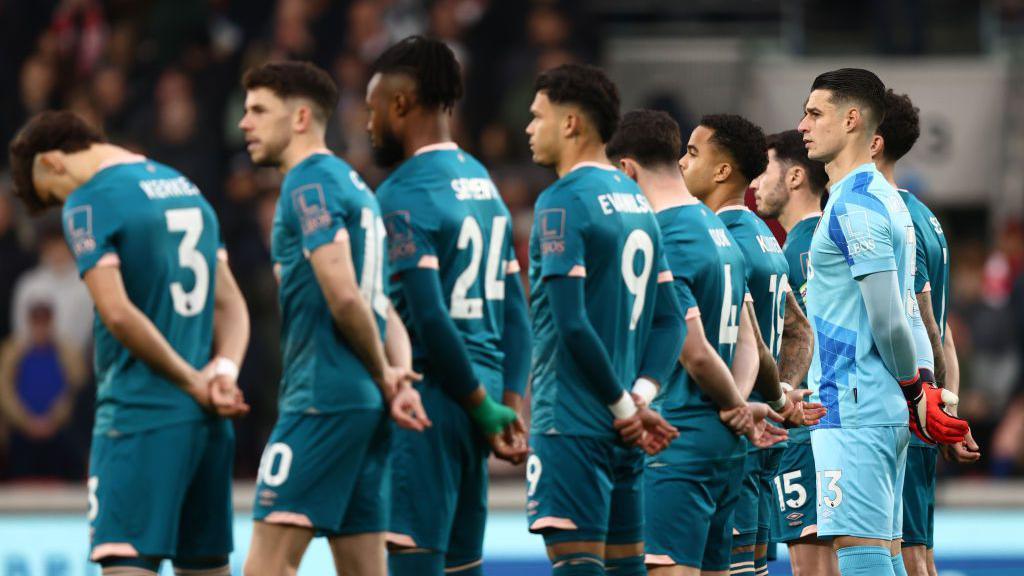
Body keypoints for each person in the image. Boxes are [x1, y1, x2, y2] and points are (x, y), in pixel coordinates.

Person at [8, 110, 251, 576]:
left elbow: (117, 313)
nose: (64, 206)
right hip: (207, 424)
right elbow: (232, 305)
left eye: (52, 196)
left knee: (126, 566)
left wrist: (188, 380)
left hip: (139, 418)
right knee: (205, 567)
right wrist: (222, 372)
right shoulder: (185, 187)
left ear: (54, 162)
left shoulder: (90, 201)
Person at [239, 61, 428, 576]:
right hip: (364, 408)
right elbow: (379, 303)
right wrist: (398, 377)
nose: (244, 123)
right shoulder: (353, 185)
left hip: (322, 401)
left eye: (258, 110)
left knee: (266, 567)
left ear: (301, 117)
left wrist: (385, 372)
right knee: (363, 568)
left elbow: (346, 296)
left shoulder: (308, 185)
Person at [364, 36, 530, 576]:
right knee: (463, 566)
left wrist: (484, 404)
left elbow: (430, 318)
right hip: (479, 403)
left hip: (432, 402)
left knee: (416, 560)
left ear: (401, 105)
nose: (368, 125)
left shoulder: (401, 193)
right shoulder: (482, 183)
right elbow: (515, 311)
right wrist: (507, 405)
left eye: (372, 109)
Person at [798, 68, 969, 576]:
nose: (802, 125)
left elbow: (892, 319)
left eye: (814, 113)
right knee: (887, 552)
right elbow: (917, 318)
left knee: (862, 553)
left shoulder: (854, 205)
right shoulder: (891, 200)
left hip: (853, 404)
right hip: (880, 406)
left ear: (851, 119)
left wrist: (916, 391)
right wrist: (922, 392)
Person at [608, 109, 794, 576]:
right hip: (726, 445)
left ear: (627, 170)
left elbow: (692, 352)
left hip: (680, 436)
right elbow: (753, 342)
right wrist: (742, 404)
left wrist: (734, 402)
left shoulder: (667, 235)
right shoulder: (723, 236)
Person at [524, 64, 688, 576]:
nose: (529, 128)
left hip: (573, 421)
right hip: (628, 430)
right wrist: (640, 397)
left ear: (571, 123)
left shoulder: (562, 201)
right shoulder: (637, 204)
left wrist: (621, 406)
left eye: (538, 116)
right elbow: (671, 322)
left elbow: (570, 323)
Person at [685, 113, 817, 576]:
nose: (682, 164)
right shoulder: (765, 237)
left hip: (735, 434)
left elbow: (753, 340)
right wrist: (780, 393)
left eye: (693, 153)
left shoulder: (718, 239)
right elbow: (800, 330)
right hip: (767, 436)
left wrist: (754, 400)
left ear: (723, 171)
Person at [868, 88, 981, 576]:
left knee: (907, 555)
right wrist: (948, 406)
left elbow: (922, 325)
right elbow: (945, 334)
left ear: (871, 139)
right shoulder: (926, 217)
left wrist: (927, 405)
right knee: (918, 553)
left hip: (903, 407)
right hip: (924, 406)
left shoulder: (890, 217)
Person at [754, 129, 839, 576]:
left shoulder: (802, 250)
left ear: (795, 177)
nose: (755, 183)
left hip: (806, 428)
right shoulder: (815, 240)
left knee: (814, 568)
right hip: (832, 427)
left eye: (764, 169)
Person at [0, 301, 87, 480]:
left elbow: (75, 391)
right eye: (36, 323)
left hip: (58, 430)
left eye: (44, 323)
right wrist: (26, 421)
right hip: (21, 431)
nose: (40, 329)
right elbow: (5, 392)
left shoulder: (66, 354)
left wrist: (53, 419)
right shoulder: (13, 353)